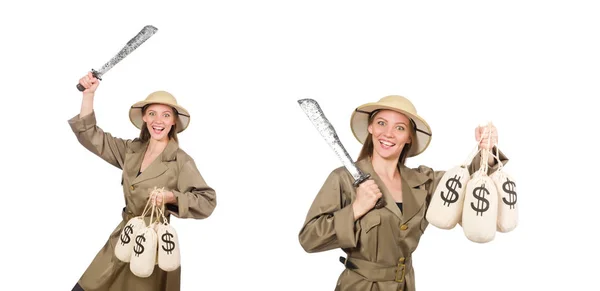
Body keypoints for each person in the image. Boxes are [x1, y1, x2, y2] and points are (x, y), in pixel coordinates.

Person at [298, 95, 508, 291]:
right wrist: (356, 208)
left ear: (409, 137)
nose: (388, 133)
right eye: (381, 123)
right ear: (370, 127)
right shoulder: (342, 179)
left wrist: (486, 151)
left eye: (399, 128)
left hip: (405, 285)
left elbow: (466, 181)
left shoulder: (423, 181)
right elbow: (309, 239)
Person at [69, 72, 217, 291]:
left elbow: (207, 201)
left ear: (174, 121)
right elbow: (91, 136)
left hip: (152, 250)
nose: (159, 121)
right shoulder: (131, 150)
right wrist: (88, 95)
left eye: (166, 115)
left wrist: (171, 197)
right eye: (152, 113)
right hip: (123, 238)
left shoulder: (180, 161)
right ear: (144, 118)